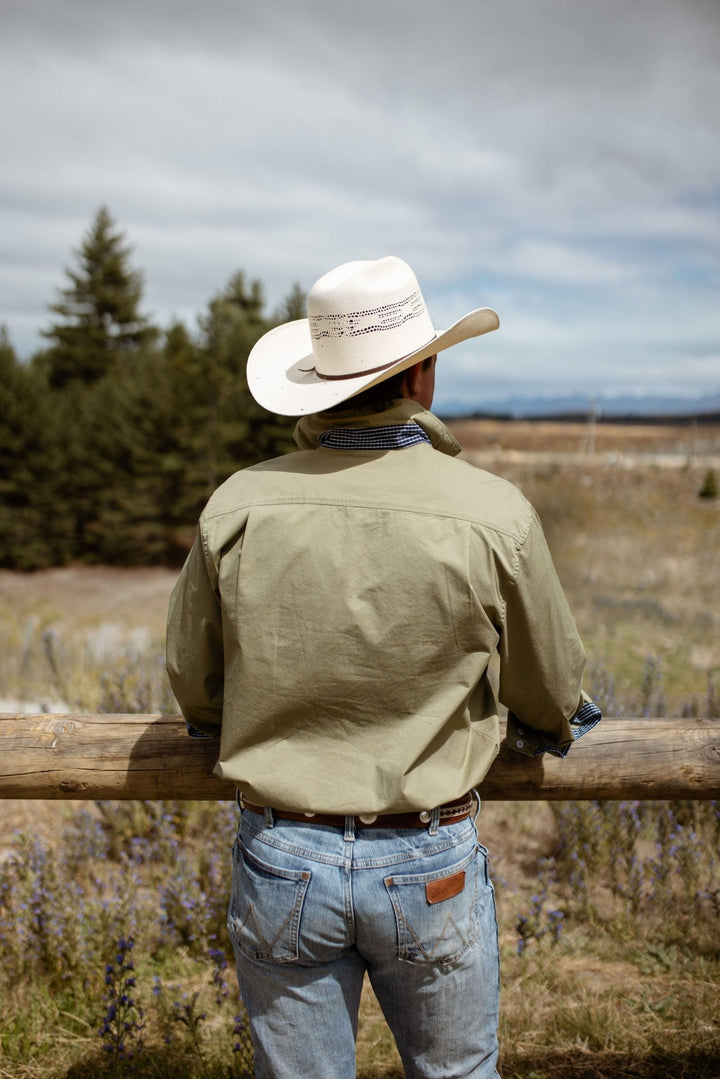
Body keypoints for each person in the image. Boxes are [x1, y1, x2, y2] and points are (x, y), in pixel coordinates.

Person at [166, 256, 601, 1079]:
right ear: (424, 374)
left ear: (320, 386)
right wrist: (545, 725)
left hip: (282, 853)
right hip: (426, 854)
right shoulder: (492, 510)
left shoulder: (239, 503)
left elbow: (194, 681)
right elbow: (549, 688)